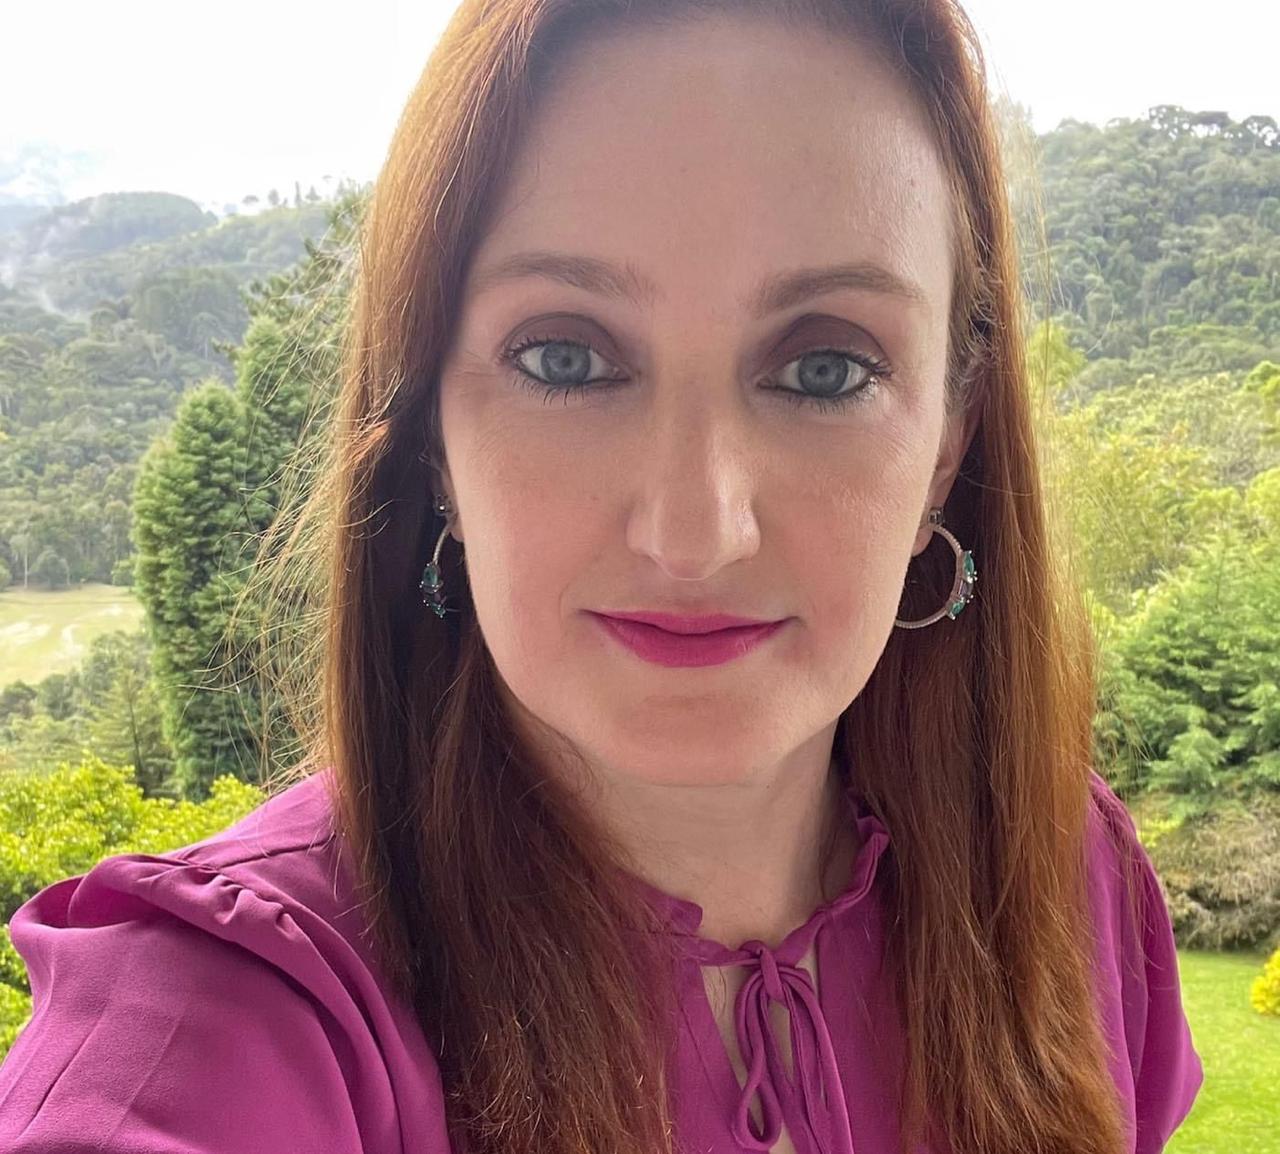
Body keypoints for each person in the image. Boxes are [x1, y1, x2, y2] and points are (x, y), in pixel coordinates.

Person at [0, 1, 1204, 1152]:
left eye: (825, 369)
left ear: (946, 440)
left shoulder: (1067, 881)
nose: (695, 532)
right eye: (566, 359)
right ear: (431, 435)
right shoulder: (222, 1013)